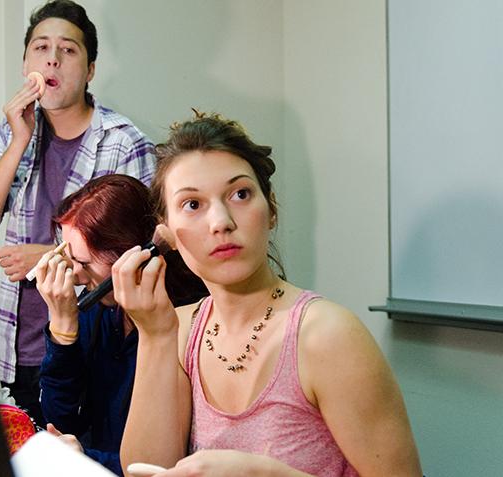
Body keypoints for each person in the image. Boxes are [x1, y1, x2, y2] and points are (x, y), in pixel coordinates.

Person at [112, 113, 423, 476]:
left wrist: (268, 474)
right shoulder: (179, 329)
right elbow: (148, 470)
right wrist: (155, 335)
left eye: (240, 194)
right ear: (168, 237)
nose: (221, 221)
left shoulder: (326, 336)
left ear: (271, 210)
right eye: (193, 205)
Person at [0, 0, 155, 426]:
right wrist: (17, 140)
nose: (52, 58)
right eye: (41, 48)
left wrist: (48, 255)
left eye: (68, 50)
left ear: (90, 69)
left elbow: (146, 252)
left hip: (95, 345)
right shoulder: (13, 133)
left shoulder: (125, 141)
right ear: (26, 61)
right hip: (21, 345)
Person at [33, 174, 206, 476]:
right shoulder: (98, 309)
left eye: (83, 263)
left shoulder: (188, 323)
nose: (74, 275)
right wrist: (62, 331)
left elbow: (172, 460)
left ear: (131, 257)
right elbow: (60, 421)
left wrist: (88, 457)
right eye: (67, 257)